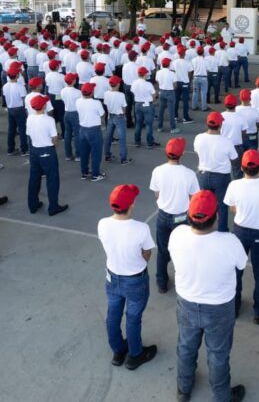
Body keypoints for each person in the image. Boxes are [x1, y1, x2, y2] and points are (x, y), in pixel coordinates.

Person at [168, 189, 248, 402]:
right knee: (218, 354)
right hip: (219, 308)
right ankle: (221, 396)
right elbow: (241, 265)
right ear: (217, 216)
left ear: (189, 215)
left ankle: (183, 388)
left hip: (186, 303)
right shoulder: (230, 241)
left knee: (186, 346)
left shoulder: (177, 235)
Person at [98, 184, 158, 370]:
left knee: (113, 315)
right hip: (135, 280)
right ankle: (135, 354)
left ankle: (118, 351)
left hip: (113, 277)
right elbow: (147, 254)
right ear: (132, 204)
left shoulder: (103, 223)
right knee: (133, 318)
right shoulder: (141, 228)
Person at [224, 149, 259, 325]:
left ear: (242, 167)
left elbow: (232, 208)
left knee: (236, 272)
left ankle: (234, 308)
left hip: (239, 232)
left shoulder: (234, 186)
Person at [149, 137, 200, 294]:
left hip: (163, 216)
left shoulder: (158, 171)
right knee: (184, 250)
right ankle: (185, 281)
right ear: (182, 153)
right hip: (182, 218)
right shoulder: (189, 174)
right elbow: (195, 198)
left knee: (163, 251)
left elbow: (157, 195)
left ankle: (162, 282)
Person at [194, 111, 238, 232]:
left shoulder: (199, 138)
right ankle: (222, 230)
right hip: (221, 178)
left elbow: (197, 152)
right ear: (220, 126)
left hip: (203, 175)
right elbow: (234, 158)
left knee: (204, 204)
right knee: (222, 206)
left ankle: (203, 228)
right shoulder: (226, 142)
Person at [26, 95, 68, 216]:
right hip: (47, 151)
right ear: (44, 106)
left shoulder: (29, 118)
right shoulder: (49, 120)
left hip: (34, 151)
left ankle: (32, 205)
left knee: (34, 178)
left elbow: (29, 134)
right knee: (52, 179)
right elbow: (55, 138)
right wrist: (53, 145)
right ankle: (53, 206)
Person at [76, 82, 106, 182]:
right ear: (92, 93)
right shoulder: (96, 103)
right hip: (94, 130)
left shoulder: (78, 101)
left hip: (82, 129)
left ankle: (84, 172)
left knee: (84, 153)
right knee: (96, 153)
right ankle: (95, 174)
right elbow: (102, 114)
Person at [2, 68, 29, 156]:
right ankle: (24, 150)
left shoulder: (5, 86)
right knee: (22, 129)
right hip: (20, 109)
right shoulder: (20, 86)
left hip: (10, 109)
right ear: (17, 75)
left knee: (11, 129)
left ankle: (10, 149)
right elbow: (24, 99)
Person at [131, 67, 158, 149]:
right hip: (147, 105)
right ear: (144, 74)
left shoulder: (134, 83)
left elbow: (132, 92)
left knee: (138, 123)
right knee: (149, 125)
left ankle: (137, 141)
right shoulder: (148, 84)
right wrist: (153, 101)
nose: (147, 74)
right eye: (146, 73)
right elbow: (154, 94)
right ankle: (149, 143)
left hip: (138, 104)